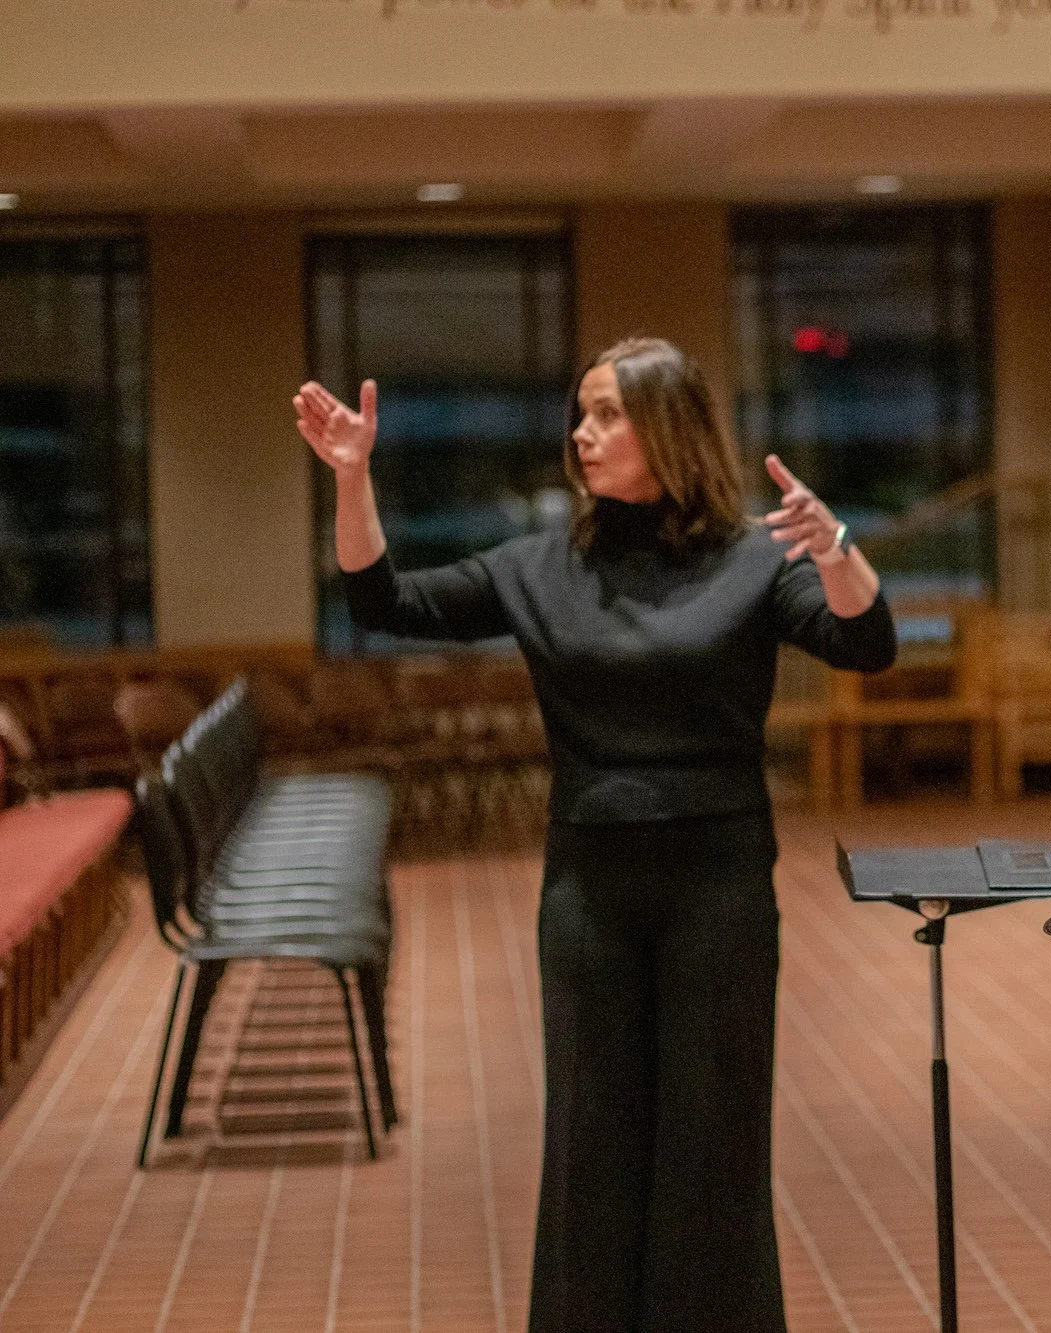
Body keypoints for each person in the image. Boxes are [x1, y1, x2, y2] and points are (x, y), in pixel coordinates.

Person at [294, 336, 896, 1333]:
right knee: (591, 1144)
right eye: (580, 412)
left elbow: (865, 642)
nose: (583, 432)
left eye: (608, 412)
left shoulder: (756, 556)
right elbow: (383, 601)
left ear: (668, 425)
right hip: (588, 889)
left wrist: (835, 548)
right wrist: (353, 480)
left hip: (719, 886)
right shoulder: (541, 566)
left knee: (712, 1144)